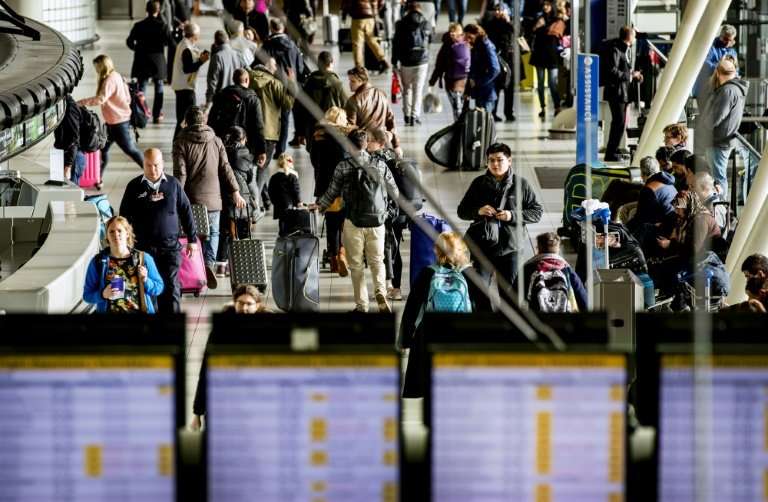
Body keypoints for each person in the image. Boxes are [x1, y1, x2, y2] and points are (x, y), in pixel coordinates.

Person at [313, 129, 400, 313]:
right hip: (377, 221)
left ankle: (362, 305)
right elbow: (395, 192)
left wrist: (318, 207)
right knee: (377, 261)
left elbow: (332, 192)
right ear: (366, 144)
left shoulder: (343, 166)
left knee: (356, 265)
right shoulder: (380, 165)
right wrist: (386, 210)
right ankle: (380, 290)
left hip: (353, 221)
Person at [401, 232, 490, 397]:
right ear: (461, 250)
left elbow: (412, 307)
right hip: (462, 332)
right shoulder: (472, 275)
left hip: (430, 331)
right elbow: (485, 308)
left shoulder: (428, 273)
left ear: (436, 250)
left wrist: (406, 339)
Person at [458, 142, 543, 302]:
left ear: (509, 161)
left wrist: (511, 216)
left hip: (511, 248)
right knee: (478, 292)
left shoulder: (521, 185)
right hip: (483, 247)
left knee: (510, 295)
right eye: (491, 160)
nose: (495, 164)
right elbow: (462, 211)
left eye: (499, 160)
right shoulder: (479, 184)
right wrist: (478, 211)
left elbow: (536, 212)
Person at [173, 106, 247, 285]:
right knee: (213, 232)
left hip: (191, 198)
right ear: (204, 121)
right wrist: (236, 191)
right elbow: (226, 168)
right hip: (214, 198)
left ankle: (194, 268)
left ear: (186, 122)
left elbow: (180, 172)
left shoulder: (181, 141)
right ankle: (209, 264)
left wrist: (177, 196)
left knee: (192, 233)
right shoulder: (216, 140)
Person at [119, 148, 198, 313]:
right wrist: (124, 245)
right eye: (149, 165)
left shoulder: (173, 184)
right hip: (143, 249)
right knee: (148, 289)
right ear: (143, 165)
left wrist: (192, 240)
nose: (153, 169)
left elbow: (186, 211)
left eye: (156, 165)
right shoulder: (134, 187)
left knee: (171, 288)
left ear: (162, 164)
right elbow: (124, 218)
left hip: (169, 248)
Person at [190, 284, 271, 430]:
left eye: (249, 304)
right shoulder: (221, 328)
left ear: (257, 305)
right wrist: (198, 413)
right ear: (234, 303)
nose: (244, 308)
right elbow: (206, 370)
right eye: (240, 303)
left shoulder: (269, 328)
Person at [78, 54, 145, 187]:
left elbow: (101, 99)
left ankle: (151, 171)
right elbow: (127, 97)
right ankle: (98, 179)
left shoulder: (109, 79)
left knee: (130, 150)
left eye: (97, 67)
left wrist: (80, 102)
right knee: (103, 150)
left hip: (118, 123)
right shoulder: (117, 75)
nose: (96, 70)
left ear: (102, 66)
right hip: (113, 122)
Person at [83, 216, 164, 313]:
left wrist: (146, 280)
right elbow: (87, 296)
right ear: (107, 236)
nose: (116, 234)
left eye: (119, 231)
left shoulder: (143, 258)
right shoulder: (98, 262)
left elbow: (159, 288)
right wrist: (103, 294)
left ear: (127, 233)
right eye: (111, 232)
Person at [695, 57, 747, 200]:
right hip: (723, 140)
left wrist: (704, 126)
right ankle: (720, 208)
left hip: (718, 141)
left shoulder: (727, 91)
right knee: (718, 176)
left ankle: (720, 209)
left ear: (718, 73)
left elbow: (716, 117)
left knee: (718, 177)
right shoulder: (735, 89)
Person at [309, 107, 353, 276]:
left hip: (324, 187)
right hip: (342, 187)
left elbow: (314, 162)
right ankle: (343, 252)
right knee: (345, 223)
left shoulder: (317, 138)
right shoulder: (342, 139)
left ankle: (333, 259)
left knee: (331, 224)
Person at [249, 57, 296, 211]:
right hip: (268, 132)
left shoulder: (248, 78)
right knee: (262, 169)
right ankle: (255, 205)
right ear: (268, 67)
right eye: (274, 65)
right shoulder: (274, 83)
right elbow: (287, 104)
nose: (276, 68)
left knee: (252, 167)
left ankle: (265, 199)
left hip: (249, 132)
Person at [262, 18, 307, 154]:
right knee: (293, 113)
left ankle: (278, 147)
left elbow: (259, 63)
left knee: (279, 116)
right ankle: (295, 139)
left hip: (275, 84)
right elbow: (300, 67)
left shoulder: (268, 45)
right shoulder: (293, 44)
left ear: (271, 28)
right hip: (292, 83)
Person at [219, 126, 259, 274]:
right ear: (242, 139)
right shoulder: (246, 154)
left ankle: (221, 265)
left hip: (224, 195)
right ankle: (239, 264)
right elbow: (249, 178)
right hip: (243, 197)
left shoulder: (221, 151)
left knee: (226, 231)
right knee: (243, 232)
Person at [207, 68, 267, 166]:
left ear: (233, 79)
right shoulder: (252, 98)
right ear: (247, 80)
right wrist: (262, 150)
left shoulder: (221, 95)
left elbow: (211, 121)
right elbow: (258, 126)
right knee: (243, 174)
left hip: (223, 144)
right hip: (245, 147)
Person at [126, 0, 171, 124]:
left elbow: (129, 41)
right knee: (159, 87)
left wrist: (137, 49)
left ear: (146, 10)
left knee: (142, 88)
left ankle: (142, 113)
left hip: (142, 60)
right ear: (158, 10)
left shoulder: (139, 25)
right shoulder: (163, 25)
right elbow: (169, 42)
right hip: (158, 61)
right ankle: (157, 114)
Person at [603, 26, 643, 162]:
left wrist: (633, 76)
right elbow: (612, 70)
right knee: (618, 122)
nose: (635, 38)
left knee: (620, 123)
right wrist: (630, 75)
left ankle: (613, 151)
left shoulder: (625, 50)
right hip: (616, 92)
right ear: (629, 37)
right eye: (634, 36)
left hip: (623, 92)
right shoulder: (616, 49)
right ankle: (610, 153)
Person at [522, 232, 587, 312]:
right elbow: (583, 300)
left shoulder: (528, 269)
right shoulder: (566, 270)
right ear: (558, 249)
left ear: (538, 248)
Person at [344, 66, 402, 157]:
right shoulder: (381, 94)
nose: (349, 84)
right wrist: (396, 145)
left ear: (362, 81)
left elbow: (351, 128)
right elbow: (391, 120)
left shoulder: (354, 100)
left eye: (353, 81)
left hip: (364, 147)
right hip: (381, 144)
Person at [391, 1, 431, 126]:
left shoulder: (400, 24)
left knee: (406, 90)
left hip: (406, 61)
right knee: (418, 90)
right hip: (421, 61)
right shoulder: (425, 22)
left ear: (407, 9)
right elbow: (429, 39)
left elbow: (396, 44)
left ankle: (407, 116)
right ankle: (415, 116)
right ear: (419, 9)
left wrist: (394, 61)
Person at [297, 51, 348, 146]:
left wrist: (300, 132)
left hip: (312, 129)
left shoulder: (309, 83)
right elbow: (346, 108)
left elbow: (301, 110)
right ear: (331, 63)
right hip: (333, 129)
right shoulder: (337, 84)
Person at [171, 22, 210, 138]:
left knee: (182, 119)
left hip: (181, 86)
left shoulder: (184, 44)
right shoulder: (186, 48)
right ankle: (179, 142)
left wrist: (200, 57)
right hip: (185, 88)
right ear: (194, 35)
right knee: (187, 118)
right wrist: (201, 61)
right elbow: (187, 68)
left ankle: (177, 142)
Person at [529, 0, 567, 117]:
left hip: (552, 55)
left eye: (547, 5)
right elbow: (530, 32)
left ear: (552, 6)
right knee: (540, 83)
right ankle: (542, 107)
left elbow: (554, 32)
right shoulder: (538, 19)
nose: (545, 7)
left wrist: (542, 27)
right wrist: (536, 26)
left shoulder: (558, 20)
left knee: (552, 82)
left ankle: (557, 106)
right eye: (544, 5)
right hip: (539, 54)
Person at [630, 156, 678, 248]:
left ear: (642, 172)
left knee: (635, 222)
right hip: (674, 223)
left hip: (664, 228)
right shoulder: (668, 182)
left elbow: (640, 218)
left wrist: (623, 230)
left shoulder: (649, 189)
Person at [482, 2, 516, 122]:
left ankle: (509, 112)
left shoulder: (510, 23)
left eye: (500, 10)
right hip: (496, 58)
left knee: (509, 87)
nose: (497, 12)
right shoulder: (490, 23)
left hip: (509, 58)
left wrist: (508, 21)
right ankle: (494, 112)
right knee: (495, 87)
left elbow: (517, 33)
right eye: (496, 10)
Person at [430, 23, 471, 121]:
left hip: (451, 81)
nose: (452, 33)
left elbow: (439, 65)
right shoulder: (467, 43)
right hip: (465, 80)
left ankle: (458, 123)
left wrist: (432, 80)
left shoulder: (446, 45)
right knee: (461, 105)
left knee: (456, 106)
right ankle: (462, 124)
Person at [341, 0, 390, 73]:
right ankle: (383, 61)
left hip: (358, 16)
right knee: (372, 41)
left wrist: (344, 14)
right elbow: (381, 2)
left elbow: (346, 3)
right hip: (370, 17)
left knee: (357, 44)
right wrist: (375, 11)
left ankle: (358, 67)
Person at [463, 24, 501, 113]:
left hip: (486, 94)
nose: (467, 39)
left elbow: (495, 69)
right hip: (476, 93)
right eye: (466, 37)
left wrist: (478, 83)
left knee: (484, 122)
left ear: (477, 34)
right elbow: (472, 70)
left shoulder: (487, 46)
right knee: (476, 121)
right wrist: (467, 90)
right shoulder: (475, 46)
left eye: (469, 36)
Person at [205, 30, 246, 111]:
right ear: (227, 40)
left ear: (215, 42)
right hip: (238, 98)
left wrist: (208, 101)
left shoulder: (217, 57)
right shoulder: (238, 55)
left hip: (221, 101)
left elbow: (212, 82)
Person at [693, 24, 738, 98]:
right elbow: (704, 64)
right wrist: (721, 66)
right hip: (706, 89)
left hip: (723, 90)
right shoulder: (710, 47)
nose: (727, 43)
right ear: (721, 36)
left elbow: (735, 69)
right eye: (725, 39)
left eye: (730, 40)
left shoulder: (732, 52)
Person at [268, 153, 303, 236]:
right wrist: (299, 201)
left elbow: (270, 191)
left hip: (279, 204)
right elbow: (296, 190)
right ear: (289, 162)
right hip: (290, 204)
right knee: (290, 223)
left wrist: (274, 201)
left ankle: (282, 236)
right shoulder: (293, 176)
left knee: (282, 221)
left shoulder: (274, 177)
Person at [53, 94, 84, 184]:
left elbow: (74, 139)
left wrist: (68, 166)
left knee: (71, 194)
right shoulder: (62, 105)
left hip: (72, 158)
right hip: (65, 154)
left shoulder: (69, 109)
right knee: (62, 192)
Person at [160, 0, 189, 85]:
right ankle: (170, 77)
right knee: (172, 55)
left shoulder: (179, 3)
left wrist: (182, 24)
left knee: (174, 54)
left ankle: (172, 77)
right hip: (174, 32)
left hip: (177, 34)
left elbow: (185, 20)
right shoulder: (171, 2)